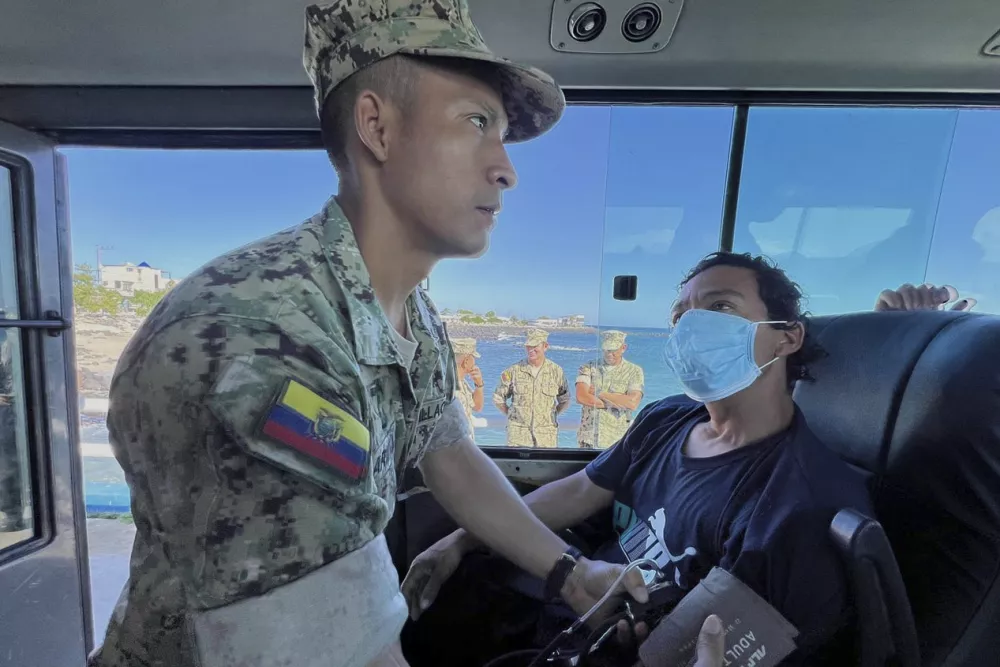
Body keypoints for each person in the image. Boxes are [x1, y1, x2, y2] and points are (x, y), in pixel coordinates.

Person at [87, 3, 649, 666]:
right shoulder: (265, 342)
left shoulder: (412, 311)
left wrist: (572, 573)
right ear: (377, 128)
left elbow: (447, 449)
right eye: (476, 122)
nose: (506, 169)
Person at [401, 253, 972, 666]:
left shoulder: (795, 509)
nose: (692, 327)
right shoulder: (668, 417)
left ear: (785, 338)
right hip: (568, 600)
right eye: (681, 316)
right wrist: (464, 538)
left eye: (720, 306)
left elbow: (693, 650)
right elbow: (579, 491)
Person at [493, 328, 571, 447]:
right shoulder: (513, 370)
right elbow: (498, 398)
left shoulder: (556, 371)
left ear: (545, 346)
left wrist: (550, 416)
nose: (531, 350)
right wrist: (513, 415)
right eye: (528, 346)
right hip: (518, 437)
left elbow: (565, 399)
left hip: (546, 436)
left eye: (535, 346)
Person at [576, 330, 645, 449]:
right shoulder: (588, 367)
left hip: (617, 441)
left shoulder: (634, 371)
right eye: (606, 349)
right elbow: (582, 397)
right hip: (589, 439)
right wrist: (618, 401)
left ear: (623, 348)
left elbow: (632, 403)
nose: (609, 353)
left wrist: (599, 393)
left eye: (613, 350)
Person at [451, 337, 485, 425]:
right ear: (466, 361)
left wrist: (479, 385)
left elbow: (476, 407)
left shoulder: (461, 382)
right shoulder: (453, 388)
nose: (474, 362)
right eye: (473, 358)